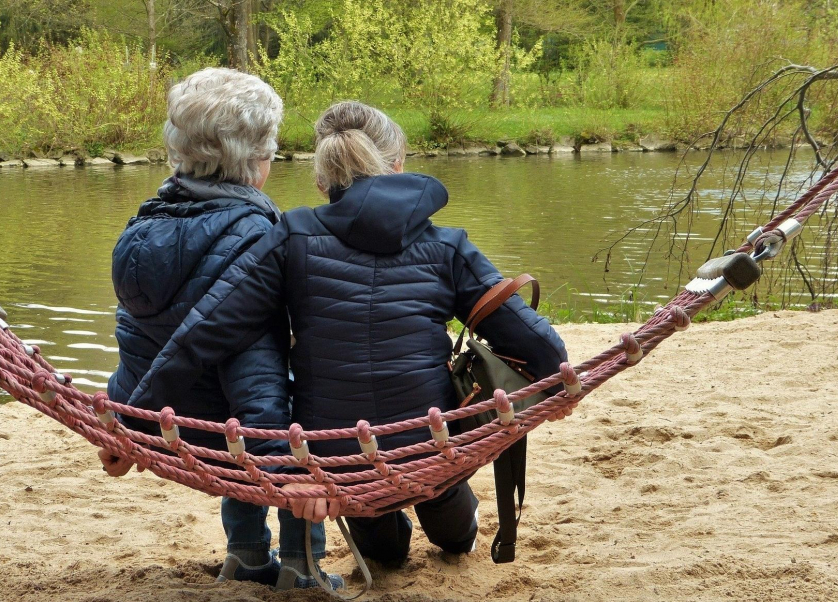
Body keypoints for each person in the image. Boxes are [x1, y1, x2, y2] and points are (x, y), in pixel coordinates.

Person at [127, 100, 568, 564]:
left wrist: (134, 420)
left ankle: (386, 534)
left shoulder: (291, 235)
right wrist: (560, 382)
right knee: (450, 521)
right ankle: (451, 522)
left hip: (337, 454)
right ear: (397, 165)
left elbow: (208, 330)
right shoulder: (447, 245)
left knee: (383, 551)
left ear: (322, 180)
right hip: (431, 440)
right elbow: (530, 337)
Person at [98, 67, 342, 591]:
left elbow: (138, 337)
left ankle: (247, 554)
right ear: (256, 161)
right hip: (232, 428)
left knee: (238, 410)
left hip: (164, 418)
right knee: (309, 401)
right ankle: (303, 566)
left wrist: (125, 419)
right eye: (270, 149)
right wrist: (286, 474)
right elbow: (259, 378)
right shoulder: (259, 237)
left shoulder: (143, 225)